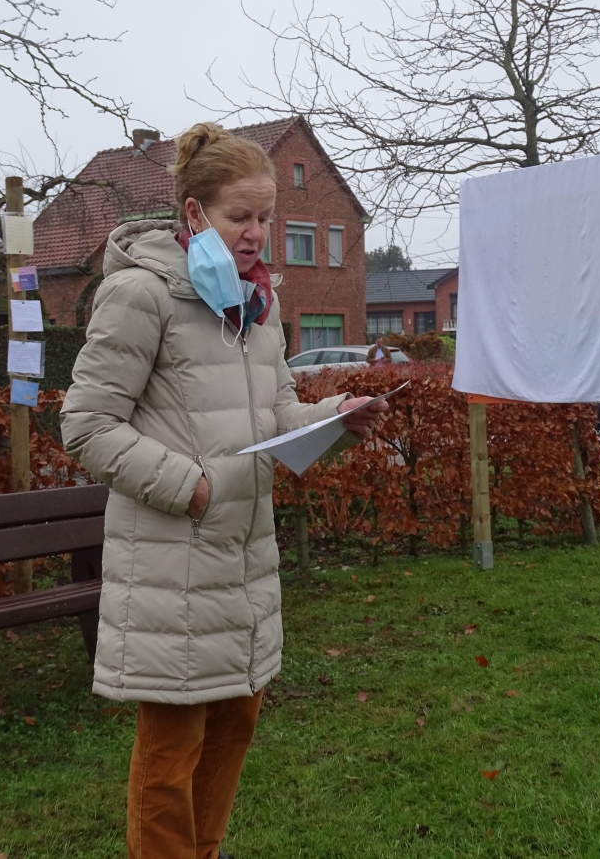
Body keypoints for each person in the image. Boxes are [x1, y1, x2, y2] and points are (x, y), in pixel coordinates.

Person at [61, 121, 388, 859]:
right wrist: (193, 487)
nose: (257, 234)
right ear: (194, 213)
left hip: (245, 566)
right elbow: (86, 425)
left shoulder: (258, 308)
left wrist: (337, 417)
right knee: (171, 752)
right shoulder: (139, 294)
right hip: (172, 563)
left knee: (235, 728)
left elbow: (277, 416)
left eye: (266, 218)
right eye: (241, 216)